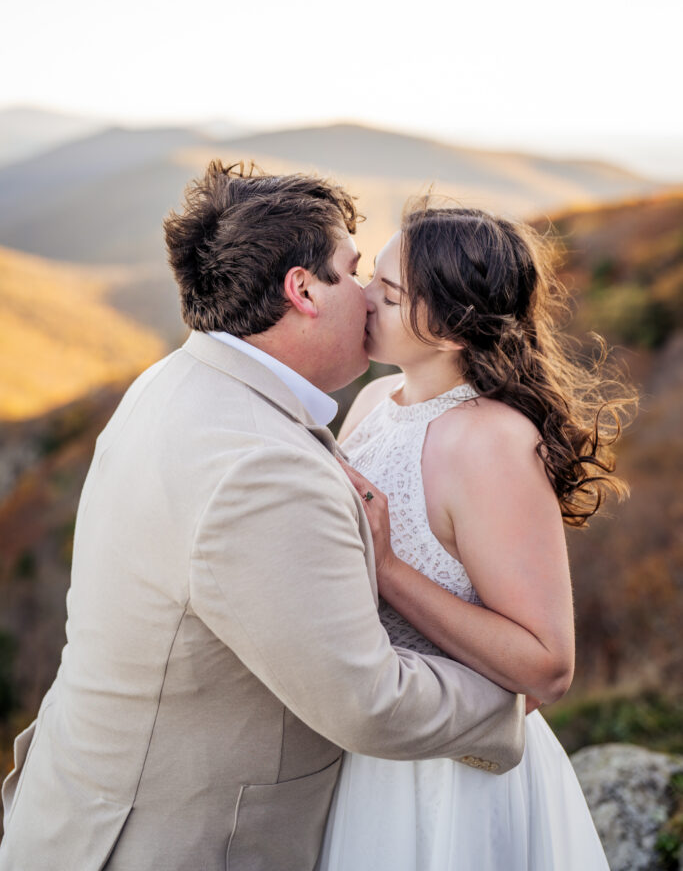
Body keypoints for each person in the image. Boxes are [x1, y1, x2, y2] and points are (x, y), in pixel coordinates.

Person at [0, 165, 525, 871]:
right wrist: (504, 700)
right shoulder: (260, 467)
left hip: (80, 807)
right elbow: (366, 702)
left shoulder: (172, 381)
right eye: (352, 270)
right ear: (302, 290)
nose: (370, 295)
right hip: (169, 843)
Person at [318, 202, 634, 870]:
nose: (363, 298)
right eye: (372, 277)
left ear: (453, 327)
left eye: (390, 293)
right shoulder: (376, 401)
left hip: (451, 777)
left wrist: (390, 571)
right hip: (367, 746)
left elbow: (547, 666)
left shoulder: (490, 441)